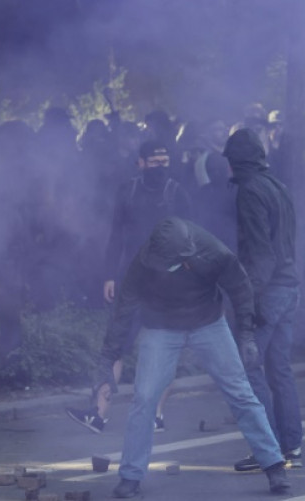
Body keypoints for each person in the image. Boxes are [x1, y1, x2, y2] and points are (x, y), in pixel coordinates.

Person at [98, 217, 289, 498]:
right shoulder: (144, 260)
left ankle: (274, 465)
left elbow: (240, 288)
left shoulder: (214, 252)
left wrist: (246, 334)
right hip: (160, 327)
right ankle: (130, 476)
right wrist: (108, 358)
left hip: (208, 322)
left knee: (240, 391)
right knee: (145, 397)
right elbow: (124, 308)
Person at [66, 141, 191, 433]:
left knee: (165, 349)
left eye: (165, 161)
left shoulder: (178, 194)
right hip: (131, 281)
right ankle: (97, 414)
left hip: (168, 284)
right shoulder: (128, 191)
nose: (160, 166)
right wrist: (109, 275)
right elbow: (116, 237)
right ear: (141, 163)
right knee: (115, 347)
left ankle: (157, 416)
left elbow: (190, 241)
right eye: (155, 161)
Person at [220, 128, 304, 472]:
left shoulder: (250, 191)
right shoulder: (278, 186)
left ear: (237, 160)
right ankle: (291, 446)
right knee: (280, 369)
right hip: (289, 287)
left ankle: (267, 448)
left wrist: (247, 301)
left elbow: (259, 253)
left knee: (250, 366)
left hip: (267, 291)